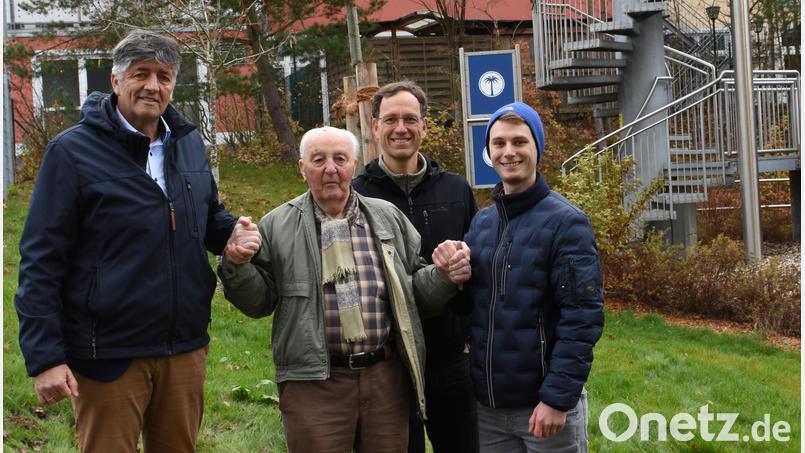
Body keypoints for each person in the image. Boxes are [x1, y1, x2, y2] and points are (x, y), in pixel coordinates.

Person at [14, 30, 253, 452]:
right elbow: (41, 260)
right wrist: (46, 357)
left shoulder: (188, 143)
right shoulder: (72, 153)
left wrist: (233, 232)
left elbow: (206, 216)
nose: (152, 86)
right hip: (108, 352)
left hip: (183, 346)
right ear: (116, 80)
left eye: (164, 76)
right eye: (141, 74)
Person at [217, 126, 471, 452]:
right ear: (302, 168)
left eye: (340, 158)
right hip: (313, 383)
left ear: (354, 164)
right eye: (318, 160)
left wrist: (444, 276)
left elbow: (413, 297)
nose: (330, 169)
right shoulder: (277, 225)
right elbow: (259, 303)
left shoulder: (387, 218)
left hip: (384, 381)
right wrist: (236, 264)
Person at [463, 102, 604, 452]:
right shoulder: (482, 224)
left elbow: (582, 317)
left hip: (545, 409)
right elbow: (470, 310)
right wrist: (449, 272)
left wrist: (557, 399)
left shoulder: (567, 223)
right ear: (489, 152)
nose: (508, 152)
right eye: (498, 143)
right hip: (488, 410)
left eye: (519, 142)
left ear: (537, 148)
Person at [352, 80, 479, 453]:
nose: (400, 128)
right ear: (374, 127)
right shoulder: (356, 195)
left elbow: (477, 270)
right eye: (390, 119)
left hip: (451, 359)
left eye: (410, 119)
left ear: (425, 125)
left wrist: (471, 332)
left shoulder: (456, 191)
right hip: (388, 365)